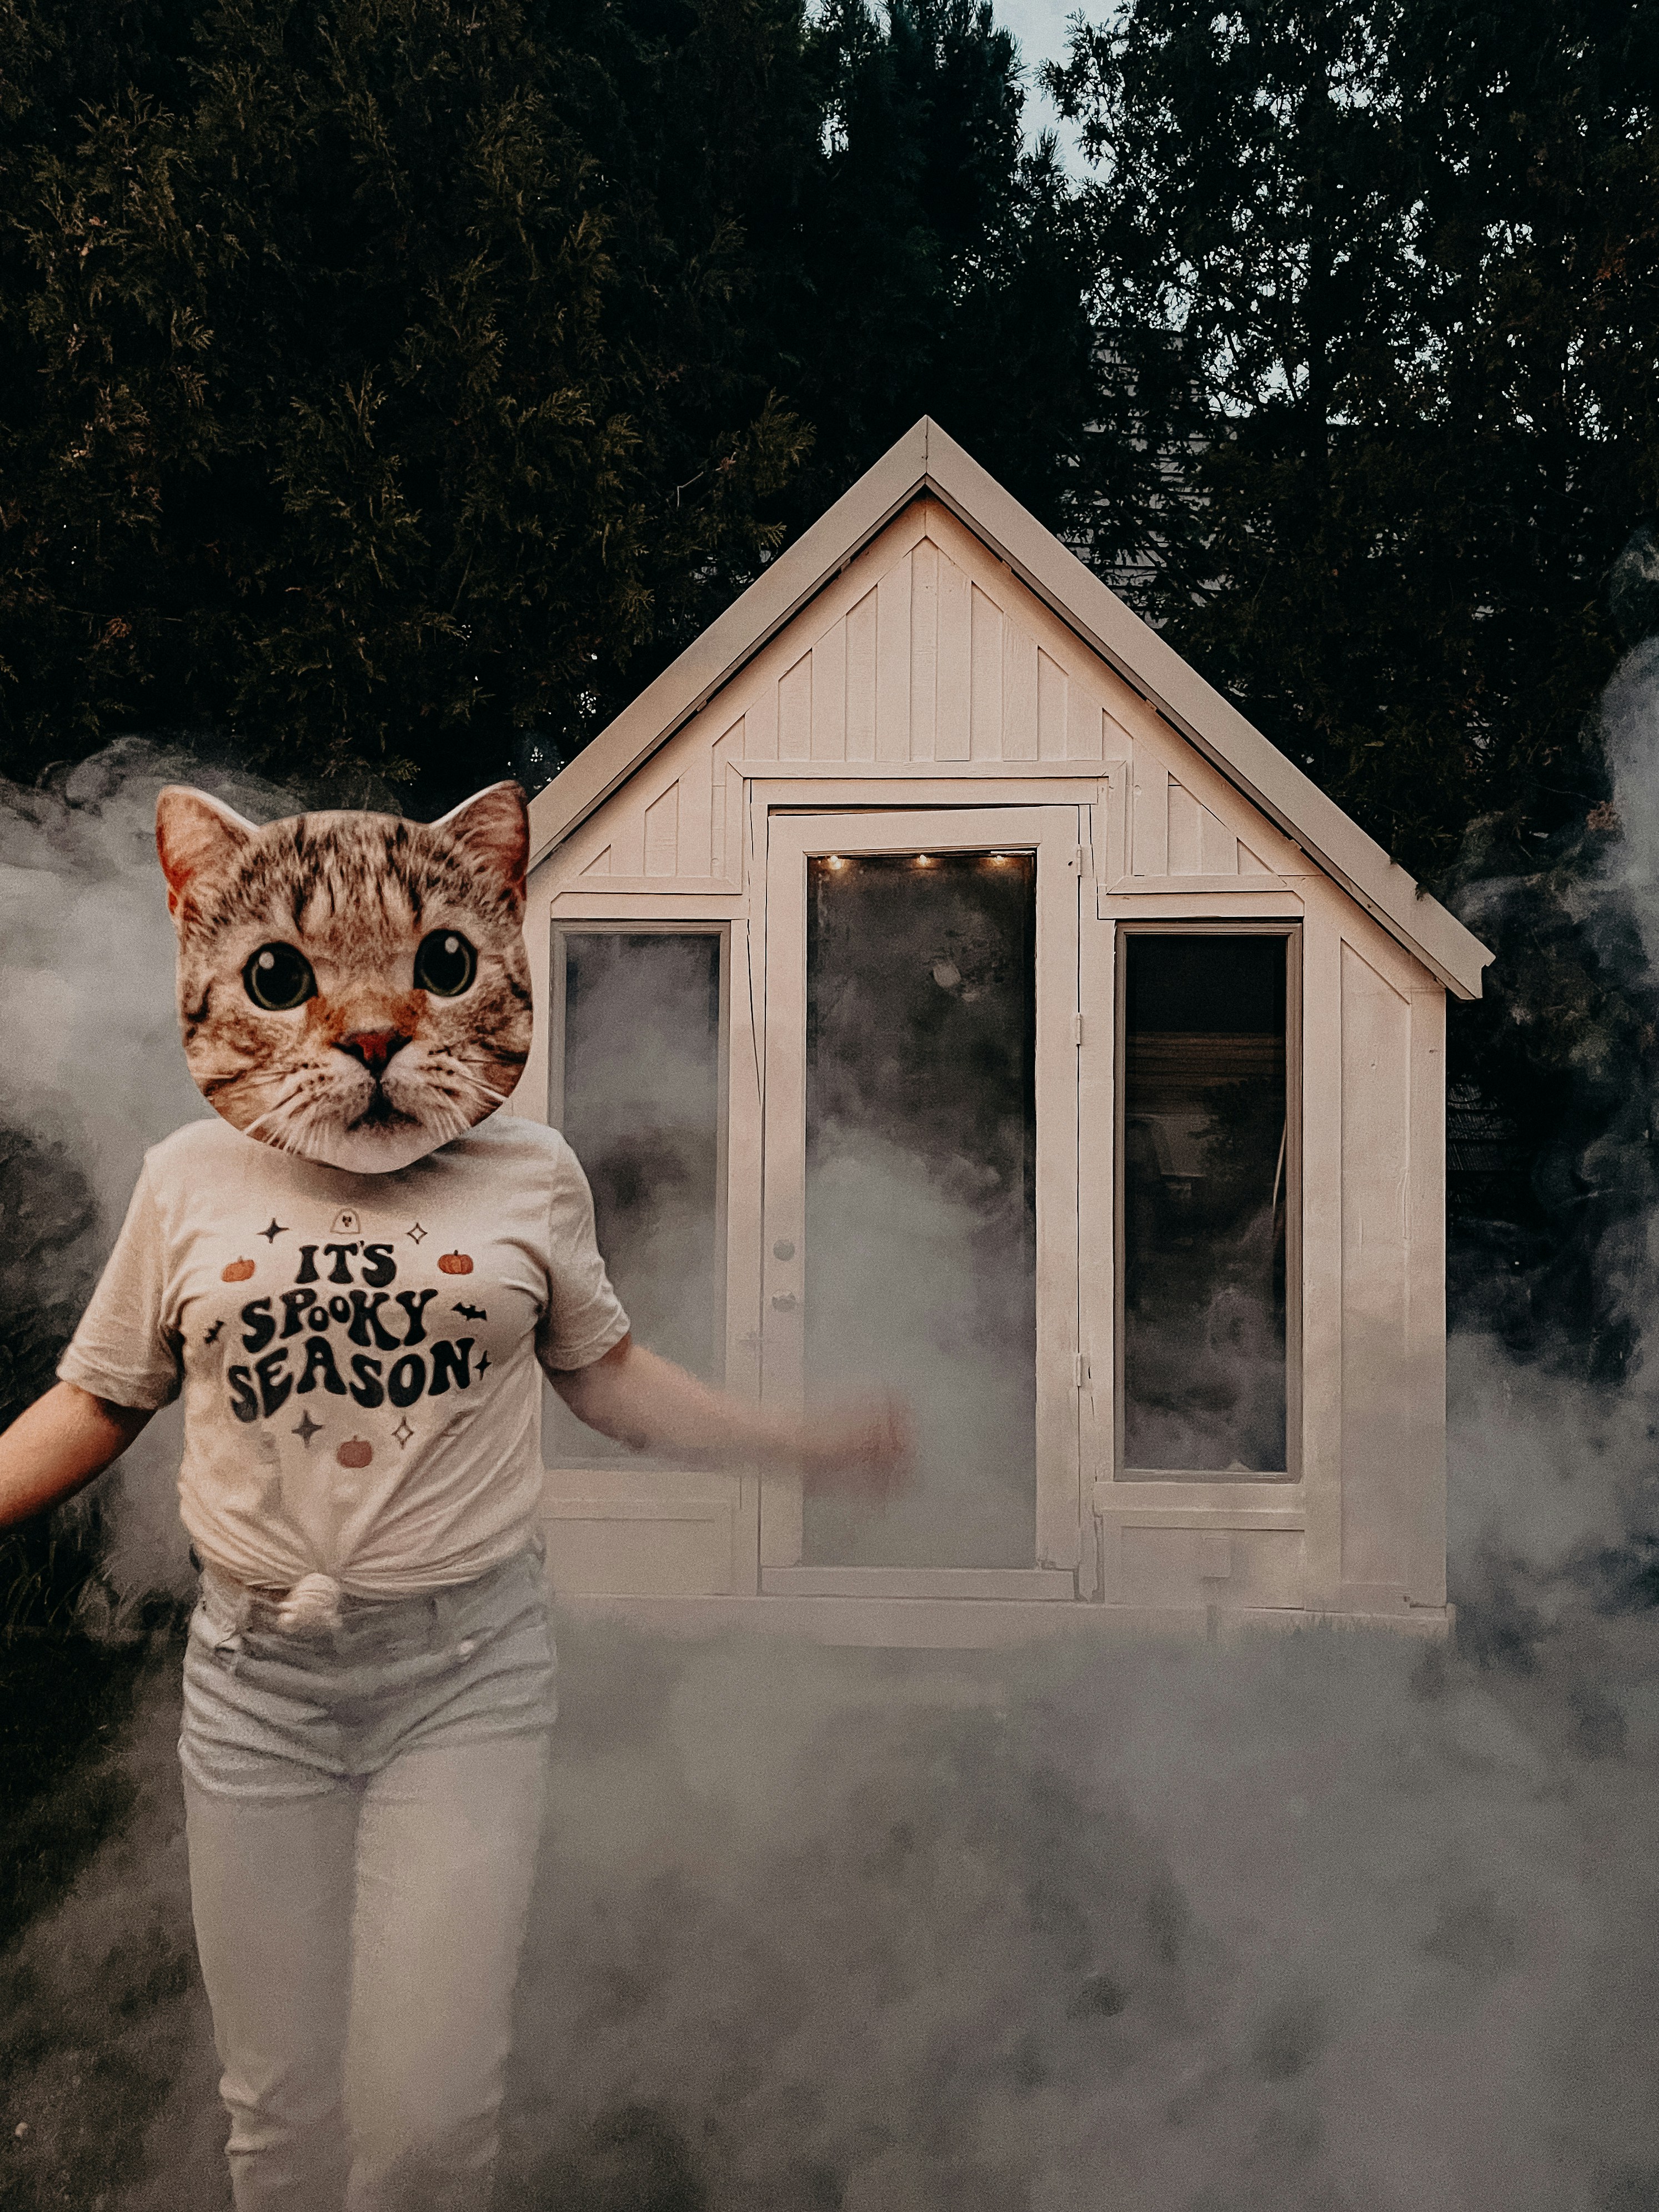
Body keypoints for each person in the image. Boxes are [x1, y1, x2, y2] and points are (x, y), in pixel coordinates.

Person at [0, 778, 907, 2212]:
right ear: (200, 949)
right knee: (279, 2120)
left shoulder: (531, 1179)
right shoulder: (187, 1183)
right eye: (289, 979)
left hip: (466, 1685)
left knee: (428, 2127)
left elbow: (607, 1378)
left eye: (432, 969)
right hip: (254, 1697)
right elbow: (102, 1400)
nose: (372, 1036)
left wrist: (793, 1446)